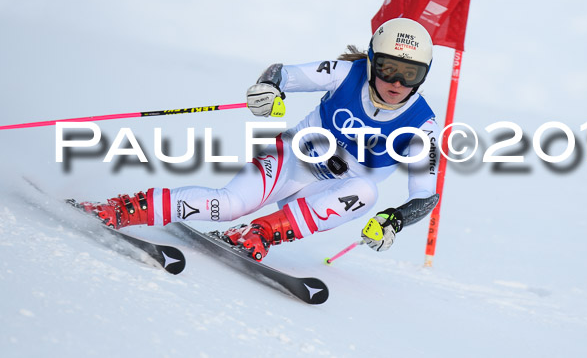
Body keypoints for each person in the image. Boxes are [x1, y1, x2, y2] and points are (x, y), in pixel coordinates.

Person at [80, 18, 441, 261]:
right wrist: (269, 89)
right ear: (372, 60)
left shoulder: (421, 126)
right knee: (229, 205)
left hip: (328, 193)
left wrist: (394, 220)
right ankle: (123, 209)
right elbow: (282, 74)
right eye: (388, 69)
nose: (397, 83)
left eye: (410, 74)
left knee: (367, 193)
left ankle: (259, 233)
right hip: (291, 159)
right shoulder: (346, 73)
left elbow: (425, 195)